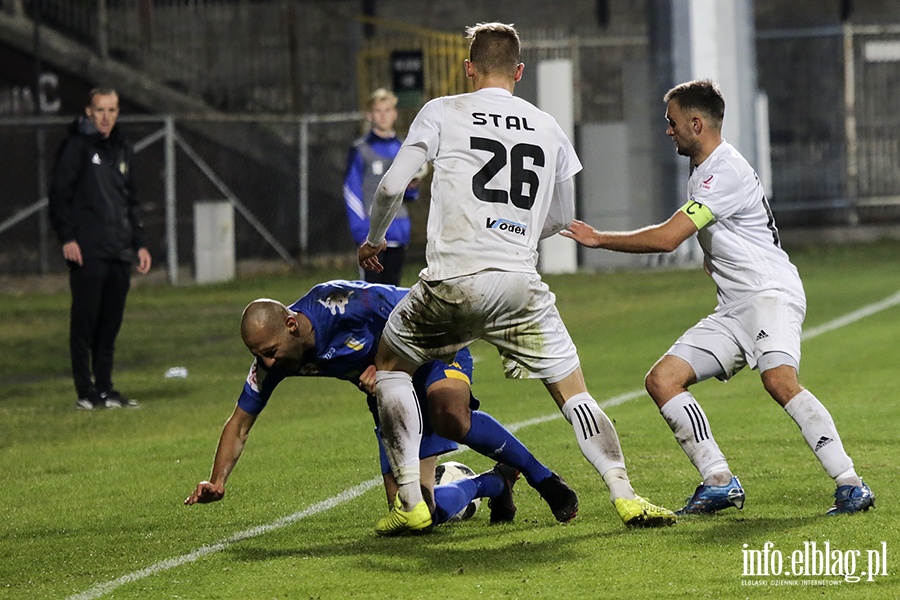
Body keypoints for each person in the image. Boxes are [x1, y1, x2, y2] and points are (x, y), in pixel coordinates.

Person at [358, 22, 675, 535]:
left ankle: (412, 501)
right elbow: (562, 218)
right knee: (574, 393)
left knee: (390, 366)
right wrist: (513, 228)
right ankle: (625, 494)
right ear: (519, 72)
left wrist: (375, 238)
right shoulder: (547, 126)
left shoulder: (442, 111)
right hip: (518, 286)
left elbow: (394, 183)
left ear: (468, 68)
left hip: (452, 282)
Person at [561, 79, 874, 516]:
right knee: (663, 380)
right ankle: (719, 480)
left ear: (696, 122)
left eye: (672, 123)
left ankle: (850, 483)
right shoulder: (705, 171)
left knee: (779, 380)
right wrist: (718, 258)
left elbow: (670, 238)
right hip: (735, 305)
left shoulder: (724, 169)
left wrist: (598, 240)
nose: (667, 130)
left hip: (768, 295)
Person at [185, 280, 579, 530]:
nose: (267, 363)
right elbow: (239, 423)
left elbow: (417, 308)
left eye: (269, 352)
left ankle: (545, 480)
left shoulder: (343, 304)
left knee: (451, 417)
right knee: (416, 514)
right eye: (258, 355)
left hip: (433, 349)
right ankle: (494, 482)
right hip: (390, 399)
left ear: (290, 325)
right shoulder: (274, 362)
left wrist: (387, 361)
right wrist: (217, 481)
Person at [48, 87, 152, 410]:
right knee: (85, 323)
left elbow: (130, 201)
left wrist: (140, 243)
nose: (106, 117)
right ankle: (85, 391)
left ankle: (105, 388)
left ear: (118, 112)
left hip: (119, 251)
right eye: (100, 110)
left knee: (110, 325)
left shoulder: (123, 150)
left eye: (112, 110)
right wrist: (68, 237)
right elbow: (58, 195)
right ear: (89, 112)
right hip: (89, 250)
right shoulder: (76, 147)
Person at [343, 88, 420, 286]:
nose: (383, 115)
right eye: (378, 110)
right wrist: (362, 232)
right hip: (371, 232)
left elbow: (408, 195)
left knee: (392, 291)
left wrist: (412, 188)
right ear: (370, 115)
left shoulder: (405, 147)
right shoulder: (360, 149)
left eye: (387, 110)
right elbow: (351, 191)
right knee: (370, 292)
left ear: (394, 114)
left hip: (398, 230)